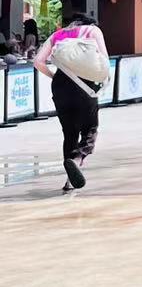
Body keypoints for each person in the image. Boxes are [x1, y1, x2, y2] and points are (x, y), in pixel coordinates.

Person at [33, 14, 105, 192]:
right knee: (90, 128)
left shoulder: (57, 35)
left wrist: (54, 76)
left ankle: (70, 181)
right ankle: (77, 159)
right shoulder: (92, 30)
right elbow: (104, 59)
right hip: (84, 83)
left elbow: (38, 62)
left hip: (60, 84)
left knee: (69, 133)